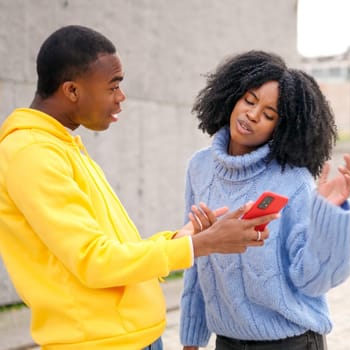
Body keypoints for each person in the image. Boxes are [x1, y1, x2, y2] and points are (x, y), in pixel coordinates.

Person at [0, 25, 278, 350]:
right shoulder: (31, 153)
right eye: (113, 86)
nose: (121, 97)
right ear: (72, 91)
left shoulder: (60, 146)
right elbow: (94, 261)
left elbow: (111, 248)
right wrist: (201, 245)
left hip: (133, 338)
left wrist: (179, 239)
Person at [179, 50, 350, 350]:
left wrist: (330, 216)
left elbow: (313, 280)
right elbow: (195, 257)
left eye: (269, 114)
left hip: (291, 342)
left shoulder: (292, 180)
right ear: (232, 96)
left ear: (282, 128)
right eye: (249, 100)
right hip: (228, 341)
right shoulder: (200, 167)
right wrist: (190, 340)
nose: (252, 115)